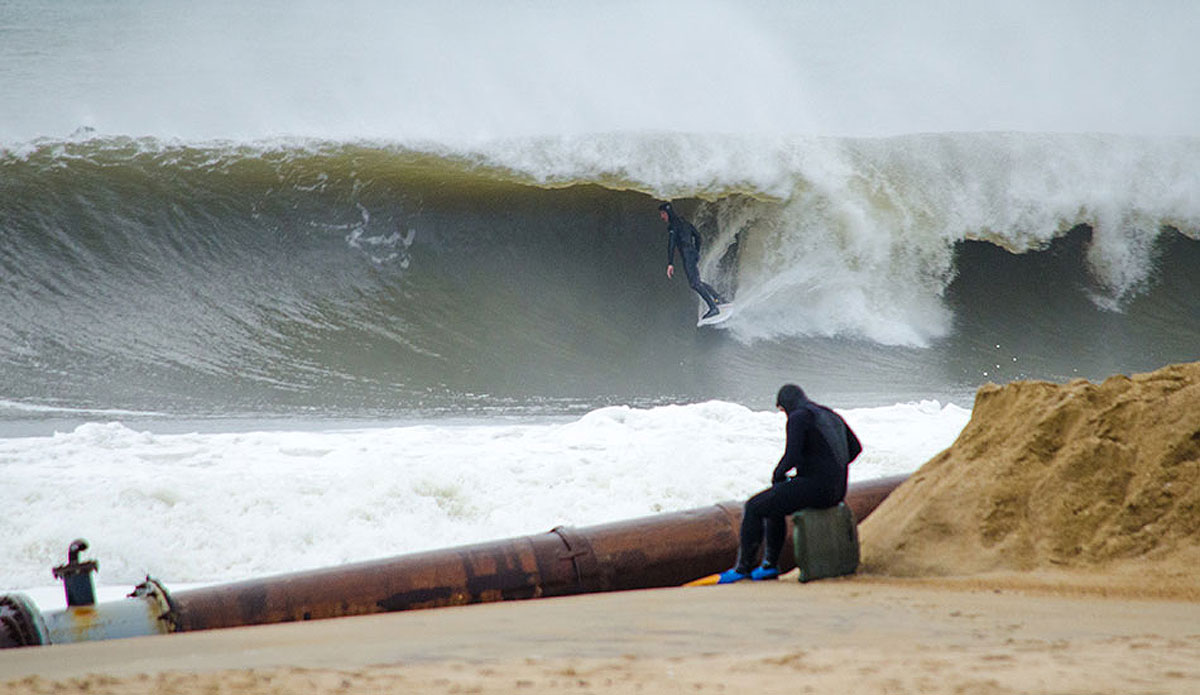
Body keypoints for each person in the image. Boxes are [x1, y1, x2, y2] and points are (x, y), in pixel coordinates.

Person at [718, 384, 863, 583]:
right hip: (837, 490)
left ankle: (743, 568)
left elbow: (791, 456)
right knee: (775, 502)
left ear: (786, 404)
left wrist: (777, 474)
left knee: (754, 506)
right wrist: (831, 469)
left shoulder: (799, 417)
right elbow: (856, 448)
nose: (784, 413)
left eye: (782, 409)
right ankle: (769, 566)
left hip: (816, 489)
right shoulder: (829, 414)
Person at [659, 202, 725, 319]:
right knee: (697, 281)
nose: (662, 217)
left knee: (694, 284)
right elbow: (698, 236)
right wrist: (696, 252)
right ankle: (717, 298)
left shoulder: (673, 226)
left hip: (687, 254)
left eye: (662, 214)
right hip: (692, 253)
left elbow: (672, 244)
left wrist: (670, 263)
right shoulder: (685, 223)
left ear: (667, 213)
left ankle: (713, 307)